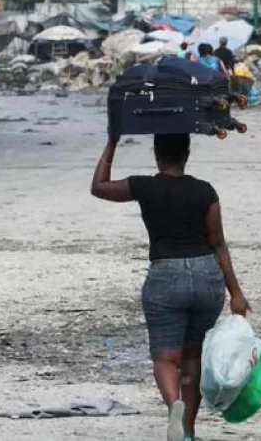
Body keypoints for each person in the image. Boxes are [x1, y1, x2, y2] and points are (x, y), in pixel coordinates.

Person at [90, 132, 251, 441]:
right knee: (193, 356)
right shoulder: (205, 191)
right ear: (186, 154)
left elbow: (99, 187)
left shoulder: (145, 186)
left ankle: (173, 405)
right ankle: (188, 432)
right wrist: (237, 294)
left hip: (165, 276)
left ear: (157, 154)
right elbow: (218, 243)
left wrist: (111, 142)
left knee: (166, 358)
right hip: (206, 277)